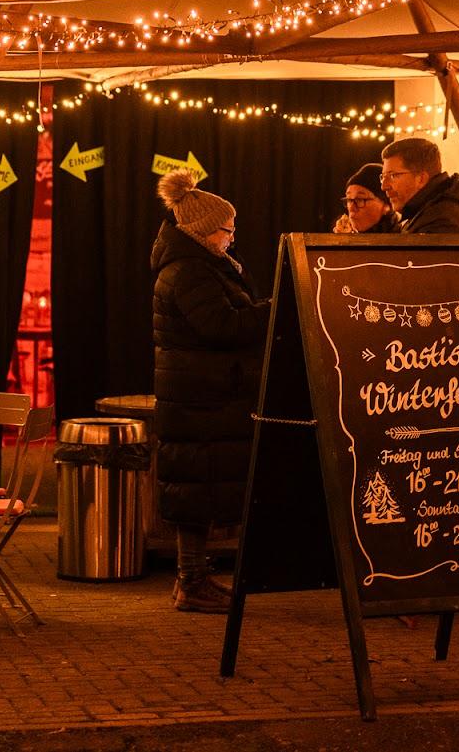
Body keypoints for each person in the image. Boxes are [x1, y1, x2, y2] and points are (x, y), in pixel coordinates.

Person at [151, 169, 271, 613]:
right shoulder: (190, 272)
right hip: (200, 398)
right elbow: (221, 326)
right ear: (203, 230)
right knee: (195, 491)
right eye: (227, 229)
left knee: (200, 488)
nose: (232, 237)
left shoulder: (198, 267)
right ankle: (192, 580)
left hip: (203, 395)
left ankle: (195, 578)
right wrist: (274, 309)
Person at [380, 137, 459, 234]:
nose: (384, 186)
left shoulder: (443, 221)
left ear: (421, 179)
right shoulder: (427, 212)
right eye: (383, 177)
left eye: (393, 175)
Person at [332, 163, 401, 235]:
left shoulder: (405, 238)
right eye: (349, 200)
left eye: (360, 199)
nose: (351, 208)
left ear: (386, 206)